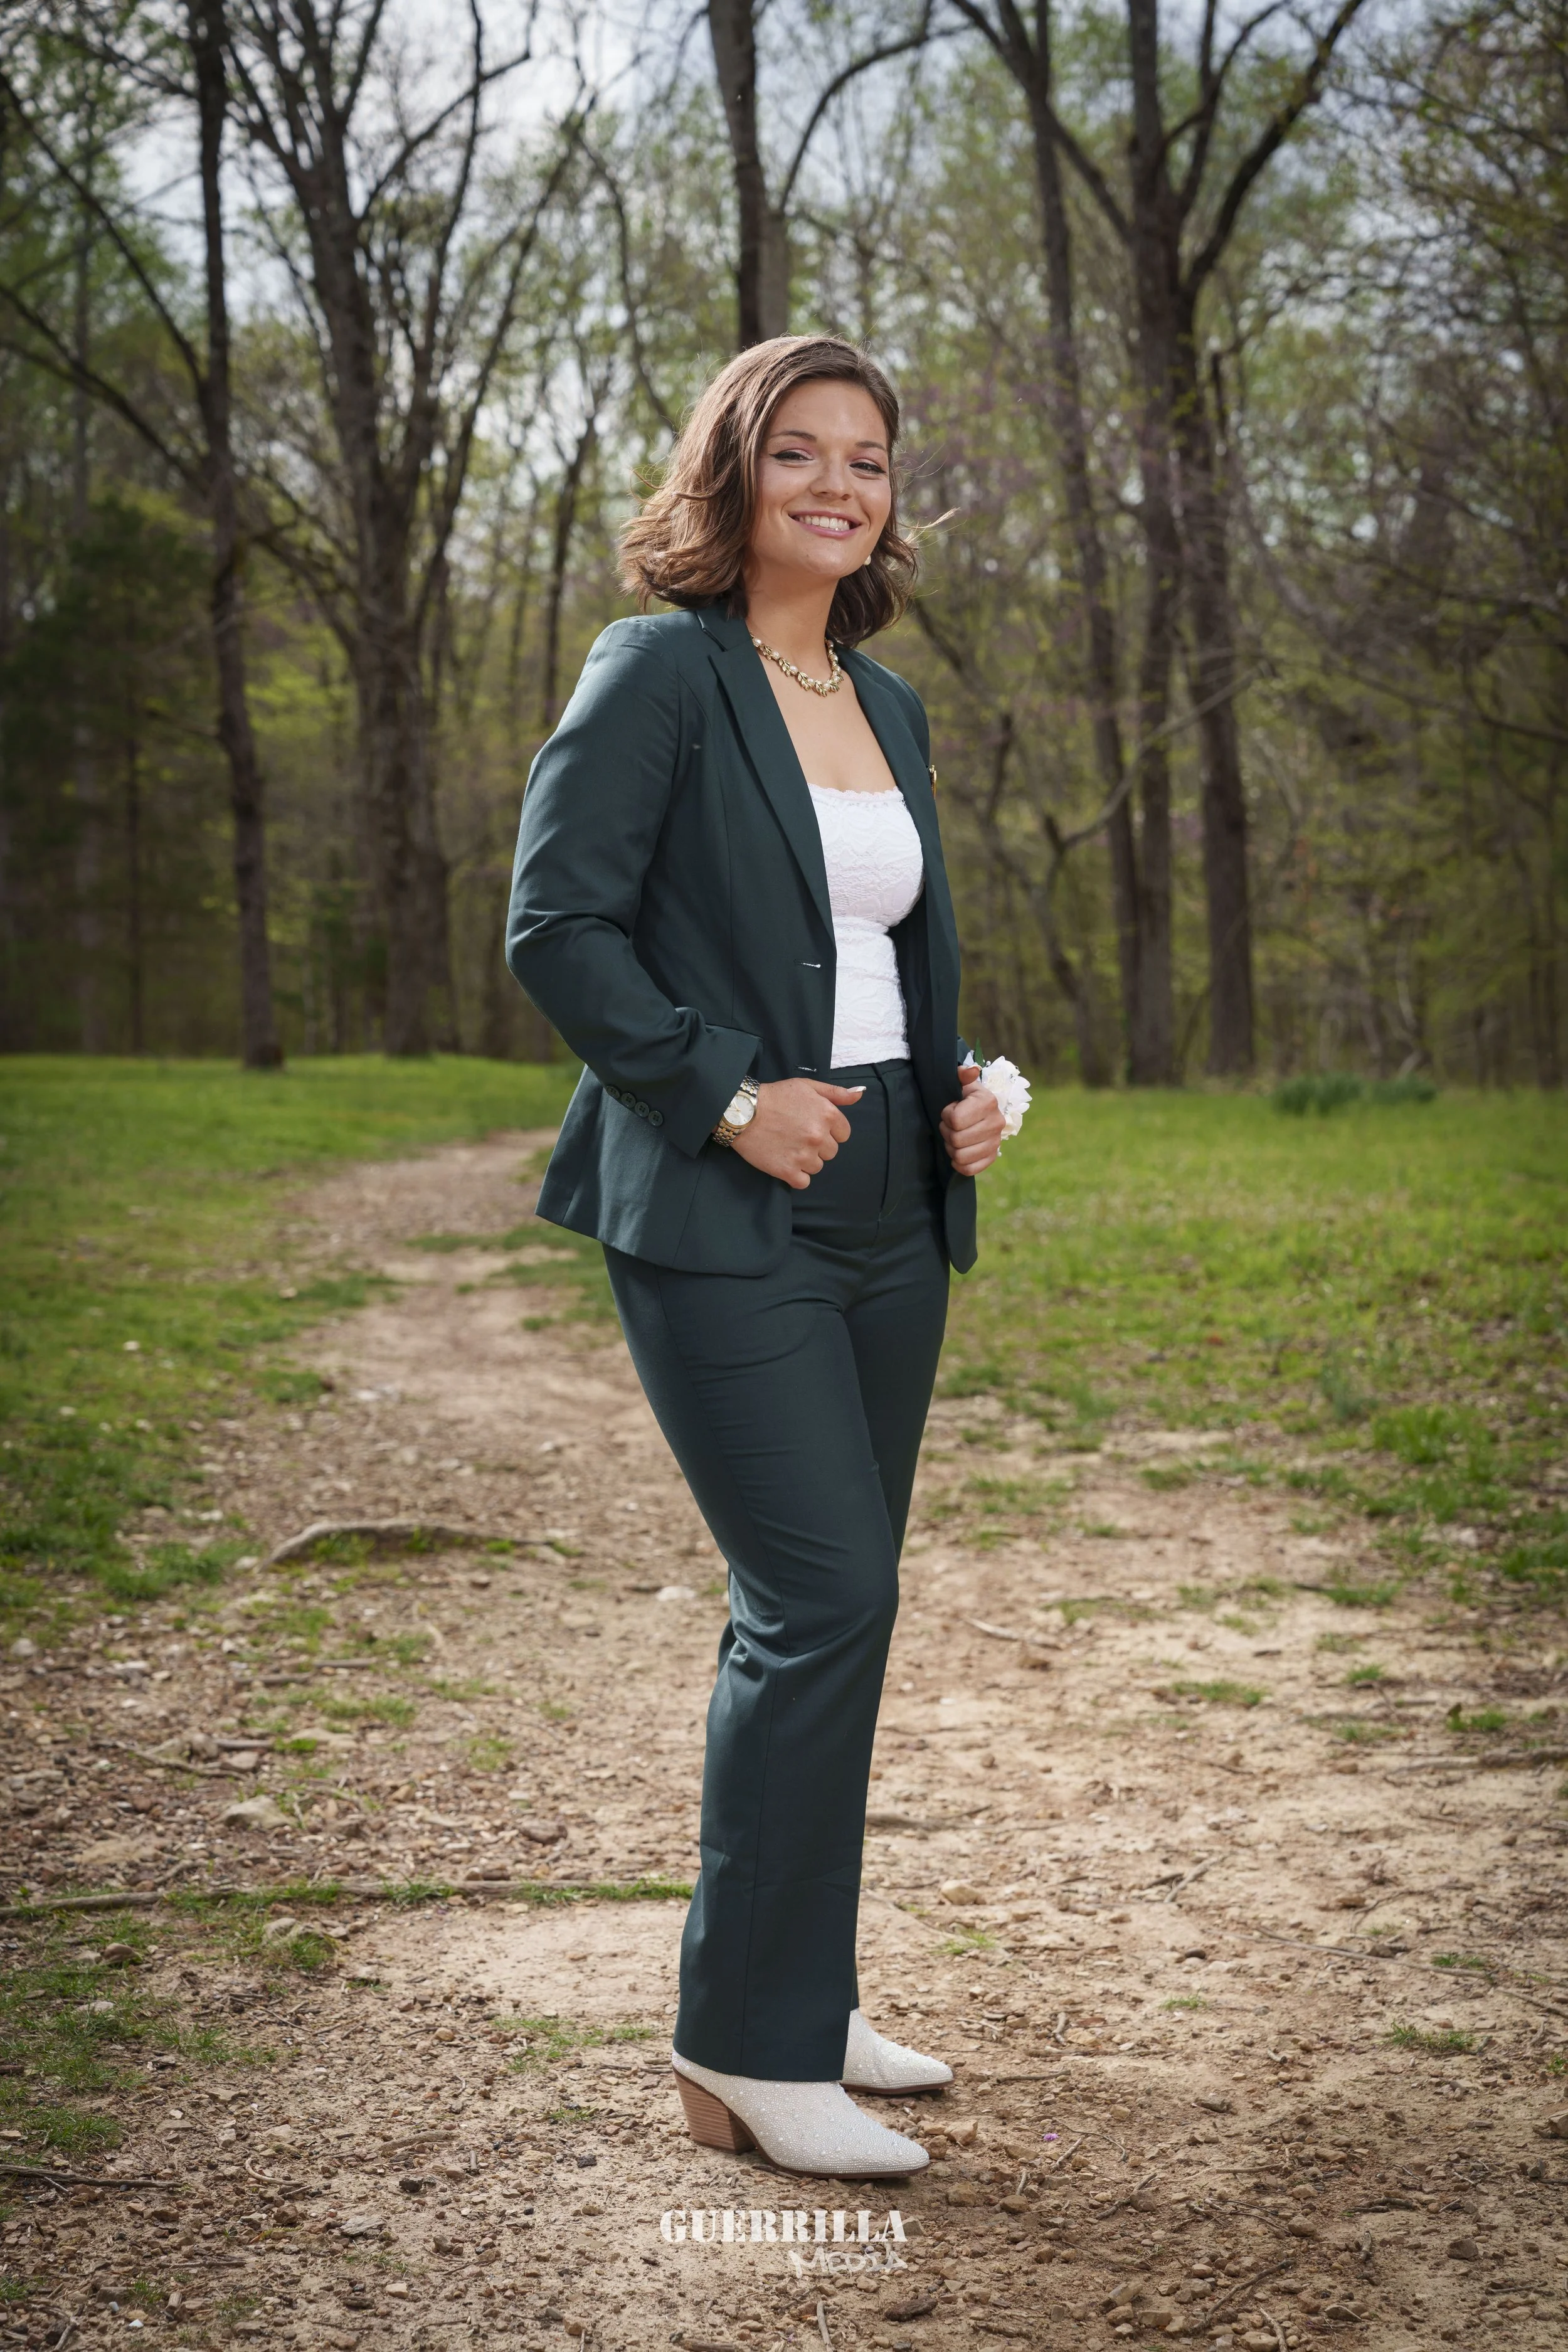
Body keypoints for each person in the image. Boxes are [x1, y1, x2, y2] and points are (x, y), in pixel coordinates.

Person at [506, 334, 1005, 2180]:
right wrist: (725, 1096)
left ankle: (805, 1984)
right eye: (797, 451)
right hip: (726, 1206)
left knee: (835, 1607)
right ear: (730, 475)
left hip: (893, 1198)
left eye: (864, 459)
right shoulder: (659, 671)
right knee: (821, 1602)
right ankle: (742, 2046)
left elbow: (864, 947)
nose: (835, 483)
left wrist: (955, 1088)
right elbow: (554, 926)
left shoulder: (887, 702)